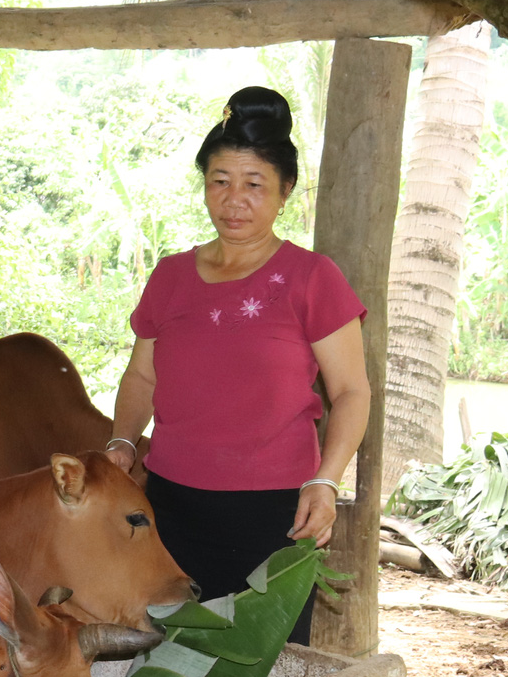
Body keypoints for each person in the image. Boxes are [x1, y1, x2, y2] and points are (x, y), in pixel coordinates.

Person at [105, 87, 369, 644]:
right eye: (220, 181)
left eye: (254, 185)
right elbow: (142, 376)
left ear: (285, 192)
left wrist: (326, 480)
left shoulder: (311, 278)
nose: (234, 200)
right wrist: (125, 442)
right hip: (170, 511)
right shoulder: (171, 276)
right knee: (166, 663)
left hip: (274, 516)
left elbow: (351, 392)